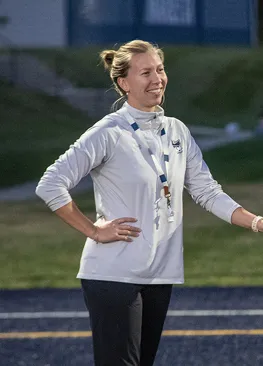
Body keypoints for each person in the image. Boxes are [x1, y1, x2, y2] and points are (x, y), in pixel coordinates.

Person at [35, 40, 263, 366]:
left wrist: (256, 222)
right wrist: (94, 231)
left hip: (159, 275)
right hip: (114, 273)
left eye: (160, 69)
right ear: (123, 83)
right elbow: (50, 184)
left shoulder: (177, 131)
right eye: (146, 72)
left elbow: (207, 192)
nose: (157, 78)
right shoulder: (109, 132)